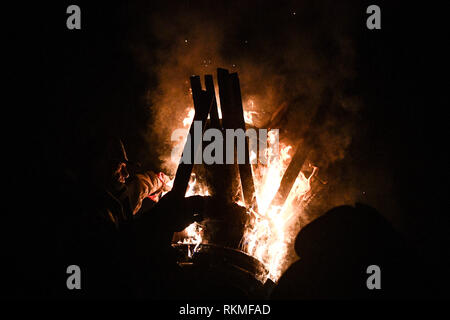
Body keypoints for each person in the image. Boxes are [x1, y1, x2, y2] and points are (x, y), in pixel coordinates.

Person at [56, 136, 207, 299]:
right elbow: (121, 253)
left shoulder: (110, 196)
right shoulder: (84, 213)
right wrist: (160, 219)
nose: (126, 174)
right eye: (118, 167)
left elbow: (136, 189)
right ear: (97, 166)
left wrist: (159, 180)